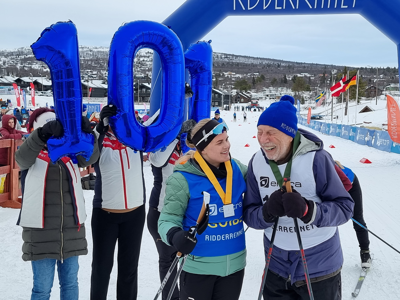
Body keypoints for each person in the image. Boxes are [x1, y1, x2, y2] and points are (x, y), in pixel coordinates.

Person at [244, 95, 354, 300]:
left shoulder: (316, 159)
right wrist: (266, 212)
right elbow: (249, 214)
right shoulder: (256, 162)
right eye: (259, 132)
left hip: (318, 266)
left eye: (271, 132)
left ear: (289, 134)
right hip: (276, 265)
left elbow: (345, 208)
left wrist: (309, 210)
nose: (263, 139)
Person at [15, 107, 99, 300]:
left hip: (71, 230)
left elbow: (91, 157)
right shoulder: (32, 153)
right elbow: (21, 159)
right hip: (41, 232)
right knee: (42, 289)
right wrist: (41, 135)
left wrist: (89, 134)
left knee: (70, 285)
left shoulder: (70, 154)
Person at [158, 118, 248, 300]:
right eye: (220, 142)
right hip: (198, 268)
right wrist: (175, 235)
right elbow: (166, 220)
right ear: (203, 148)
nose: (227, 146)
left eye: (227, 139)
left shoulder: (237, 168)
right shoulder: (183, 178)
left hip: (235, 268)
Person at [90, 104, 146, 300]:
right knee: (101, 270)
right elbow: (87, 156)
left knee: (129, 271)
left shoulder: (136, 139)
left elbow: (160, 126)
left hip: (135, 214)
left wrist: (180, 97)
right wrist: (99, 129)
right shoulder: (100, 140)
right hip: (105, 215)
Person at [147, 119, 196, 300]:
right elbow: (156, 160)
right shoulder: (160, 148)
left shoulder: (184, 150)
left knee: (187, 261)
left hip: (184, 214)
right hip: (161, 214)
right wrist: (175, 137)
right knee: (168, 261)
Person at [334, 160, 371, 268]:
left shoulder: (325, 166)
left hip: (351, 184)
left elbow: (346, 185)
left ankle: (365, 253)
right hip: (338, 186)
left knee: (357, 218)